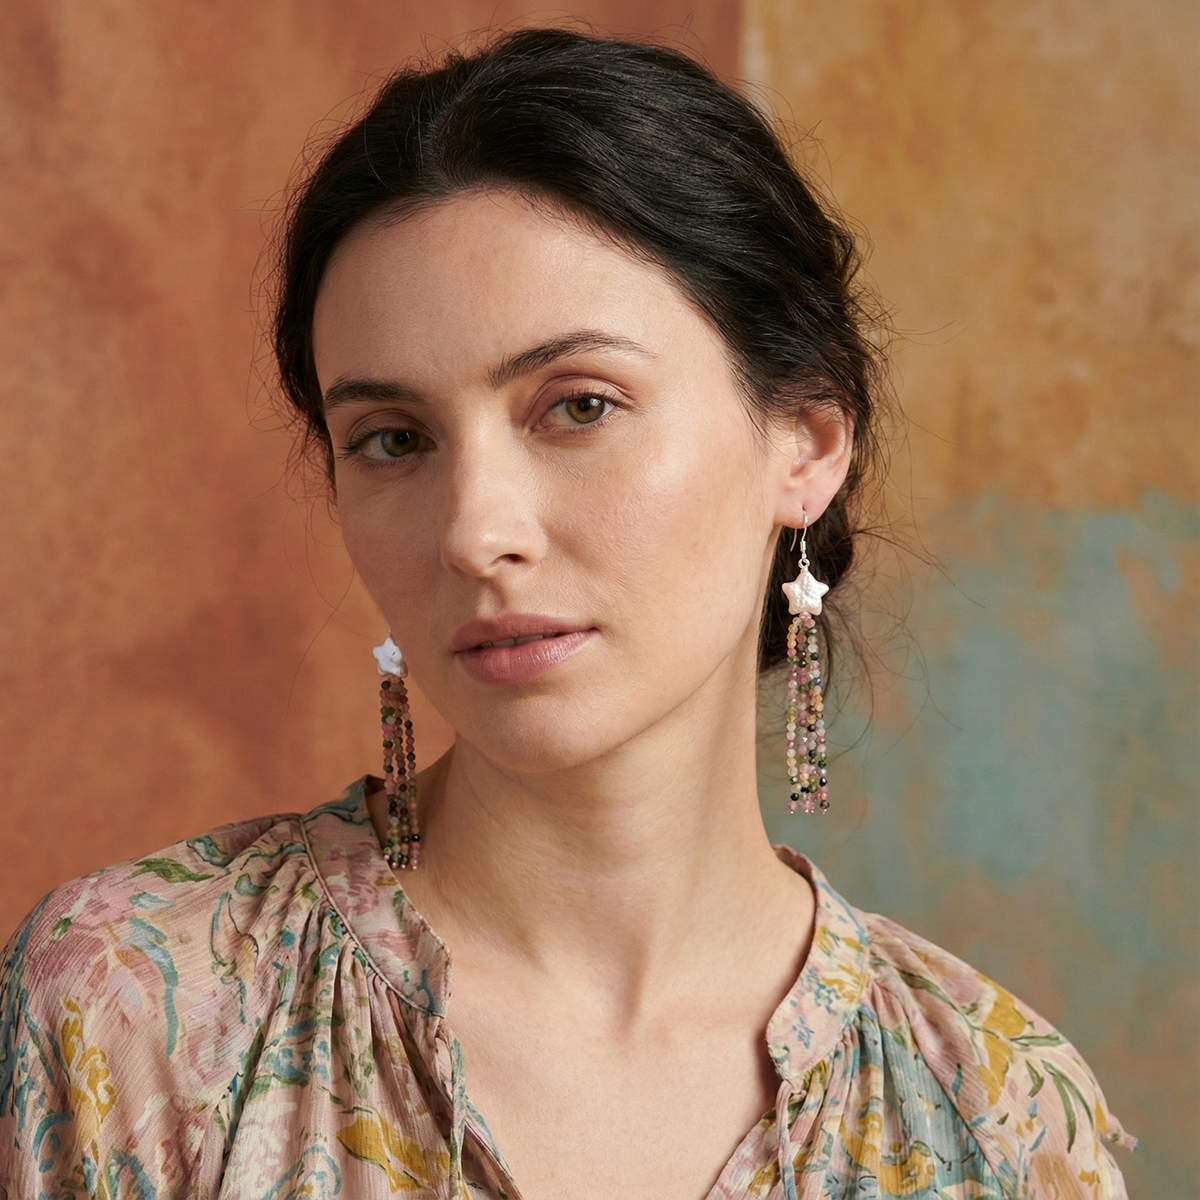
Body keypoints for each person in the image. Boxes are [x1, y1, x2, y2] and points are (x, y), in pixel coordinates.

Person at [0, 28, 1133, 1200]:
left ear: (806, 441)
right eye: (393, 440)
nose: (473, 531)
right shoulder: (133, 1015)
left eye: (578, 406)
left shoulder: (999, 1116)